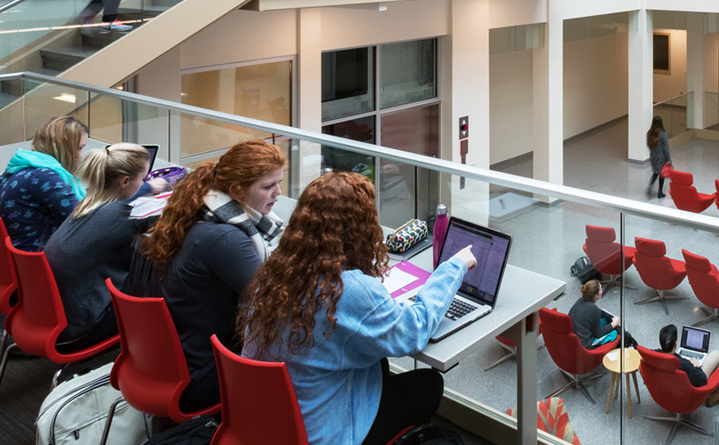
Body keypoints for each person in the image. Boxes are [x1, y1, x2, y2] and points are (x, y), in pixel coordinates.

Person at [242, 172, 476, 445]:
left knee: (378, 364)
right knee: (428, 385)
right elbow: (413, 332)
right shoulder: (346, 289)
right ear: (361, 227)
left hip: (268, 421)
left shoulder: (277, 270)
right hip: (321, 434)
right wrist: (454, 267)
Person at [138, 140, 287, 413]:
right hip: (204, 372)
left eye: (278, 183)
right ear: (236, 190)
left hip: (172, 357)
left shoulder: (203, 212)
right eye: (268, 187)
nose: (278, 193)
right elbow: (275, 301)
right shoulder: (225, 238)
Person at [45, 142, 166, 348]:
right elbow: (174, 216)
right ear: (124, 181)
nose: (144, 182)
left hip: (54, 316)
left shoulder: (88, 202)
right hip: (80, 327)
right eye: (142, 178)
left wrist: (144, 188)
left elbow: (125, 202)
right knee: (158, 269)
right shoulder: (120, 216)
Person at [0, 116, 90, 251]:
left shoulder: (22, 165)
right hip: (34, 259)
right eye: (79, 148)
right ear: (64, 147)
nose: (81, 155)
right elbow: (82, 221)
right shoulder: (45, 177)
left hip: (8, 255)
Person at [569, 279, 637, 350]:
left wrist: (609, 317)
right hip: (587, 345)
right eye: (600, 289)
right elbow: (599, 333)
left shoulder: (580, 301)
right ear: (595, 296)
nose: (602, 290)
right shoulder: (593, 309)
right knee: (616, 332)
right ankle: (630, 346)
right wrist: (614, 323)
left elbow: (596, 313)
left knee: (605, 321)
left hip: (577, 339)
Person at [658, 324, 719, 392]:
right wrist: (696, 366)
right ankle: (717, 390)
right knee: (717, 354)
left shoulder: (653, 355)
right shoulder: (685, 364)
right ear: (675, 344)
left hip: (668, 384)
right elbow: (702, 379)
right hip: (689, 387)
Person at [646, 115, 671, 199]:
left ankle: (650, 187)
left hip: (653, 157)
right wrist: (668, 160)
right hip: (661, 158)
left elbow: (648, 145)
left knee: (656, 172)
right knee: (661, 174)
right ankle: (660, 192)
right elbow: (666, 149)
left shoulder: (649, 133)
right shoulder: (662, 134)